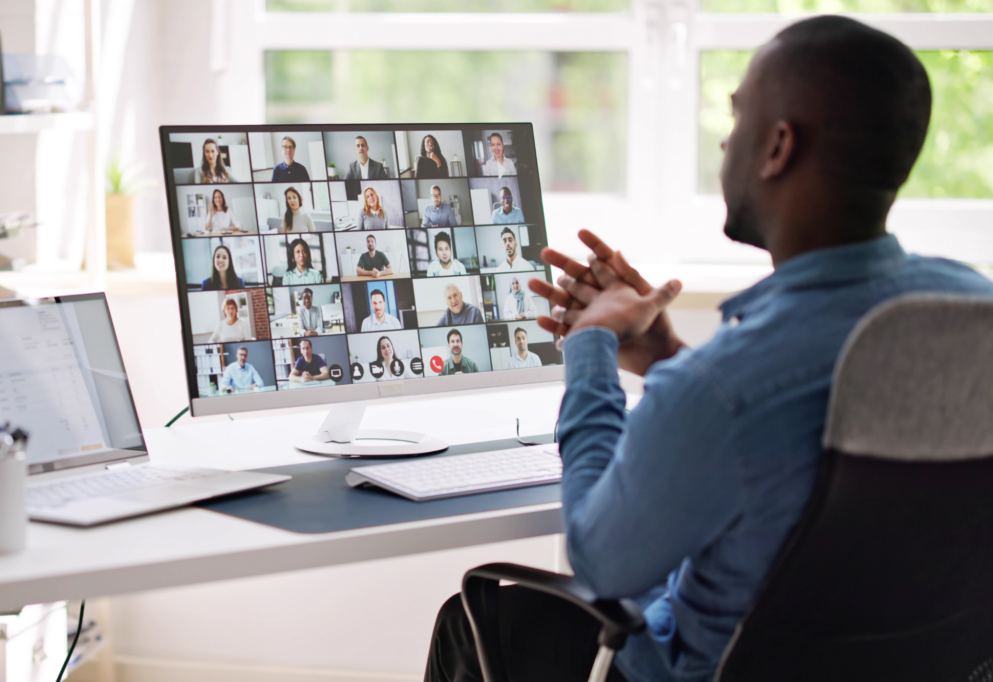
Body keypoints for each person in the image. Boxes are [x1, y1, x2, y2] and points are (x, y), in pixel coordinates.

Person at [424, 16, 993, 682]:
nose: (725, 140)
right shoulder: (970, 309)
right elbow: (796, 448)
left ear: (778, 146)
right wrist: (669, 358)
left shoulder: (724, 389)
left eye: (737, 115)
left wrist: (590, 347)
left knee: (472, 619)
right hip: (924, 665)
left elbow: (602, 560)